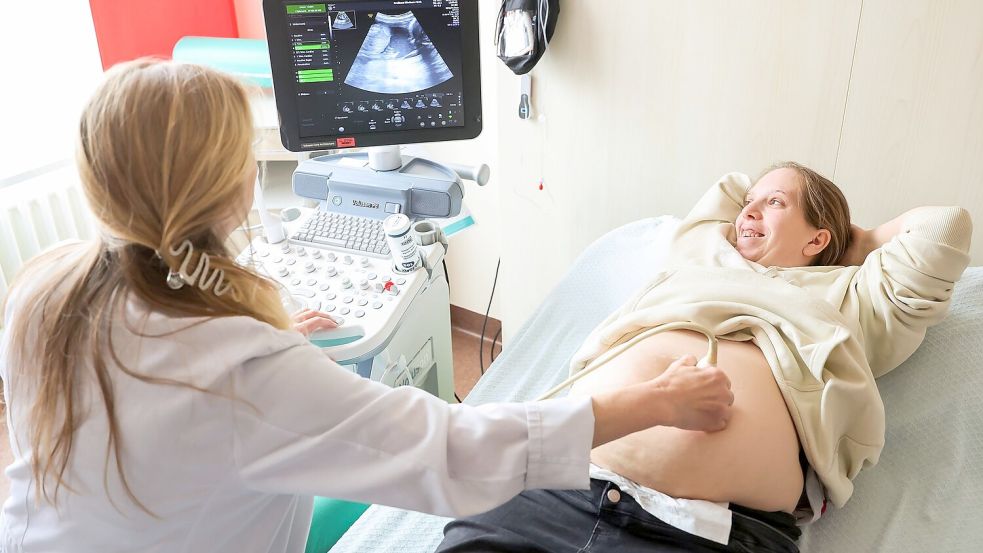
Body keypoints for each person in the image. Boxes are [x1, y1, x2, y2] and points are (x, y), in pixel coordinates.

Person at [0, 60, 736, 553]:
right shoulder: (244, 370)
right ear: (227, 189)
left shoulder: (43, 287)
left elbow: (162, 402)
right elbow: (458, 450)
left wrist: (269, 336)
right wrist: (652, 400)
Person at [436, 162, 973, 552]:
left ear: (819, 239)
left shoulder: (853, 301)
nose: (749, 212)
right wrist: (775, 209)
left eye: (775, 204)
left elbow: (944, 227)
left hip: (711, 532)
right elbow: (729, 188)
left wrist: (849, 245)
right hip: (561, 483)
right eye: (749, 206)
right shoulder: (698, 256)